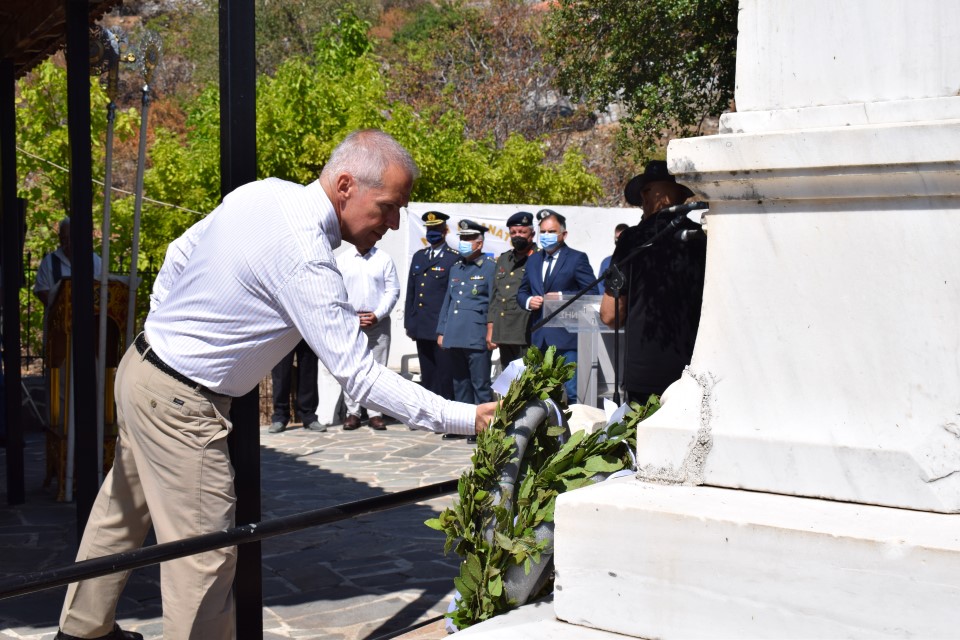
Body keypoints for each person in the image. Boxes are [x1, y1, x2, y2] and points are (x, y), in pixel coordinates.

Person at [55, 129, 497, 640]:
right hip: (180, 398)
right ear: (346, 185)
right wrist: (467, 417)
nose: (395, 222)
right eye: (389, 206)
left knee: (122, 511)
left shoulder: (265, 192)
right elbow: (359, 374)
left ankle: (81, 631)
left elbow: (180, 251)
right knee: (204, 555)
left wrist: (168, 328)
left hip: (144, 370)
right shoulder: (307, 256)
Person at [599, 160, 707, 404]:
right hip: (695, 370)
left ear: (647, 195)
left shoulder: (632, 239)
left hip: (645, 373)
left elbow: (610, 315)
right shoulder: (702, 237)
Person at [517, 209, 598, 404]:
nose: (546, 236)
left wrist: (561, 296)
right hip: (539, 337)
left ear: (564, 234)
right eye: (543, 232)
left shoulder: (576, 258)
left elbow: (592, 292)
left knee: (570, 392)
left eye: (551, 232)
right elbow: (522, 291)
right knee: (538, 391)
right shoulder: (534, 259)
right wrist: (529, 301)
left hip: (566, 337)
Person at [336, 243, 400, 431]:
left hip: (377, 322)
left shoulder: (384, 258)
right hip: (351, 321)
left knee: (378, 369)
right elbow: (337, 290)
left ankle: (375, 414)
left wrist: (378, 314)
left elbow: (393, 291)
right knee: (351, 369)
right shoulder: (342, 260)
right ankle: (353, 413)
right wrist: (349, 315)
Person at [437, 220, 496, 409]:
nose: (463, 242)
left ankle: (484, 428)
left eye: (468, 239)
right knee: (460, 382)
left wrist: (492, 331)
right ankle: (465, 424)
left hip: (476, 334)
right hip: (455, 333)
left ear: (479, 243)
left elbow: (494, 302)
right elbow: (448, 301)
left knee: (480, 384)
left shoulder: (489, 267)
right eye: (462, 238)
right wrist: (441, 330)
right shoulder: (456, 267)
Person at [403, 211, 458, 400]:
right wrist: (409, 323)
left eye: (436, 229)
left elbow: (453, 297)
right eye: (429, 229)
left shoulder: (453, 258)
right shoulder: (419, 257)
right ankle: (428, 412)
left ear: (444, 231)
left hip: (441, 328)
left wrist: (447, 327)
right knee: (427, 372)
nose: (432, 233)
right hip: (421, 325)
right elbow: (412, 292)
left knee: (444, 374)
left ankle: (444, 414)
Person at [486, 211, 538, 366]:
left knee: (527, 379)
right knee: (509, 381)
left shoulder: (539, 257)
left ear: (532, 234)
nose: (517, 236)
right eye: (513, 232)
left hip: (526, 330)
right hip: (504, 331)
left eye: (522, 232)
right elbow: (495, 296)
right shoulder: (504, 259)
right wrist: (491, 329)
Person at [33, 217, 102, 308]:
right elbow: (42, 291)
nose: (68, 243)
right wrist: (63, 309)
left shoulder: (95, 260)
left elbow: (102, 290)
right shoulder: (49, 262)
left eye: (72, 238)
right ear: (59, 237)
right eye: (64, 239)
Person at [267, 340, 321, 433]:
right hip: (283, 329)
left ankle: (309, 416)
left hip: (307, 327)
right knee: (281, 371)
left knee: (309, 368)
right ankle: (280, 416)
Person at [597, 223, 629, 295]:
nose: (619, 241)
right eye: (617, 238)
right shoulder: (606, 262)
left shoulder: (635, 261)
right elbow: (601, 287)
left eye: (622, 238)